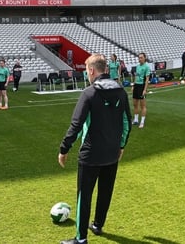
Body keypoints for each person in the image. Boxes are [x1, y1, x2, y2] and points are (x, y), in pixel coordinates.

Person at [58, 54, 132, 244]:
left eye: (86, 69)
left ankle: (81, 238)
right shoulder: (121, 91)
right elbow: (126, 123)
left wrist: (64, 149)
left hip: (90, 154)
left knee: (84, 195)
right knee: (105, 191)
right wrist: (121, 145)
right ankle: (98, 225)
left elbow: (76, 124)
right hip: (112, 153)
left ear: (91, 70)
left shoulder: (89, 93)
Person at [132, 53, 150, 129]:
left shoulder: (147, 67)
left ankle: (142, 121)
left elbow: (147, 79)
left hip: (142, 86)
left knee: (143, 106)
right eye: (139, 58)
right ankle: (136, 120)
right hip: (136, 86)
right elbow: (136, 76)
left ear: (145, 58)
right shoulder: (138, 66)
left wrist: (145, 90)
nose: (140, 59)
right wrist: (133, 85)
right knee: (135, 104)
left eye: (141, 58)